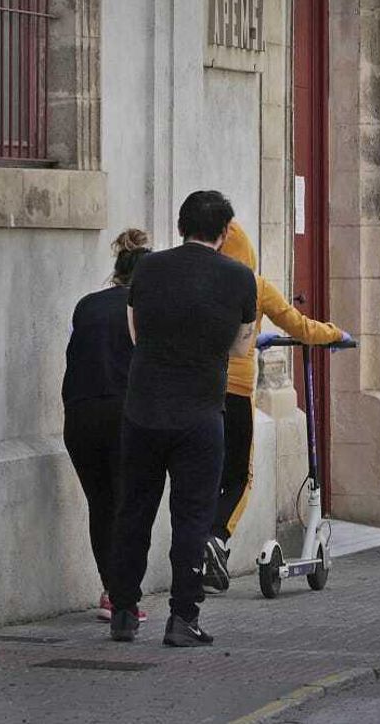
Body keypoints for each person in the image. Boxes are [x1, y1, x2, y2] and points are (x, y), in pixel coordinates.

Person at [109, 191, 257, 647]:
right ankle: (183, 616)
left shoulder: (149, 268)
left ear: (180, 226)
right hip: (200, 410)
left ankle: (123, 612)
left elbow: (134, 332)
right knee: (191, 516)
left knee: (133, 510)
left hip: (144, 407)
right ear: (225, 230)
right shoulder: (239, 277)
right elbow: (240, 346)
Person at [206, 220, 347, 587]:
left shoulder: (201, 280)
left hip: (197, 388)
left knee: (203, 474)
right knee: (239, 475)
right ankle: (216, 537)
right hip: (234, 390)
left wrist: (257, 339)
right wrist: (335, 333)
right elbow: (299, 325)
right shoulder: (254, 284)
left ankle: (199, 552)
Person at [61, 229, 151, 627]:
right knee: (130, 506)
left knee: (101, 504)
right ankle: (124, 597)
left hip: (80, 414)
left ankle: (111, 591)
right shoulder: (145, 309)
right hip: (124, 413)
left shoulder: (87, 305)